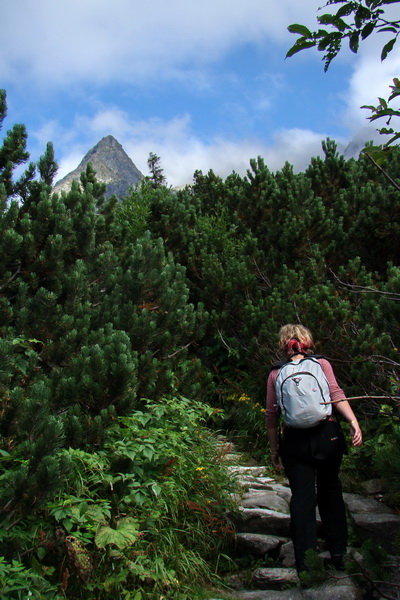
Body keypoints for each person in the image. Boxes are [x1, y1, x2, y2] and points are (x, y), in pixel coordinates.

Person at [266, 324, 362, 575]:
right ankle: (338, 553)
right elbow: (335, 393)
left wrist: (275, 451)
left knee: (302, 498)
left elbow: (272, 414)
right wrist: (353, 422)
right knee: (330, 489)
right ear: (307, 342)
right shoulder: (321, 364)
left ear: (283, 344)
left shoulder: (276, 373)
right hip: (326, 434)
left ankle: (307, 566)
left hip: (294, 442)